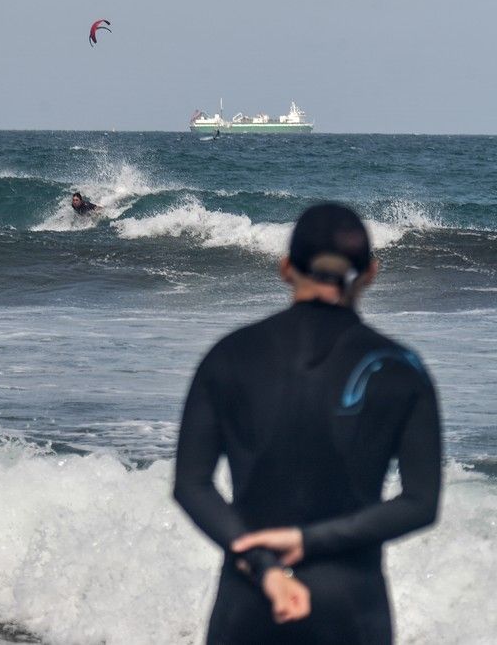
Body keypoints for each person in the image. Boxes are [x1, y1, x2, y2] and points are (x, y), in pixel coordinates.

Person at [173, 203, 441, 644]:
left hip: (251, 599)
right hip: (352, 607)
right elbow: (419, 503)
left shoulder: (229, 355)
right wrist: (307, 540)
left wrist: (266, 568)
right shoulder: (401, 367)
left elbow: (192, 486)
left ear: (285, 268)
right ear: (371, 273)